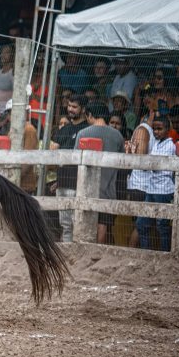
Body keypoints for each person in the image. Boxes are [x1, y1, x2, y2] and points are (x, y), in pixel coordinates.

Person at [75, 102, 125, 244]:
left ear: (90, 115)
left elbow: (75, 159)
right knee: (103, 225)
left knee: (86, 224)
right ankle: (98, 252)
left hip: (86, 189)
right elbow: (123, 162)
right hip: (108, 191)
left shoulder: (83, 134)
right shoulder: (117, 136)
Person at [50, 94, 90, 242]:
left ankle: (77, 251)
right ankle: (67, 251)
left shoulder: (87, 129)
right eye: (69, 106)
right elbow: (53, 151)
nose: (71, 109)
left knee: (77, 222)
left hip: (78, 183)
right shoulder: (64, 128)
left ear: (83, 109)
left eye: (75, 107)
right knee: (65, 223)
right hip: (62, 181)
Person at [136, 116, 176, 251]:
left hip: (163, 190)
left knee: (162, 226)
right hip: (152, 189)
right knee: (142, 224)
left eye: (160, 129)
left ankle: (165, 254)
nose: (156, 132)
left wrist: (144, 163)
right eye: (154, 129)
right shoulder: (157, 144)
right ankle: (146, 252)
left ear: (167, 130)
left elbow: (154, 164)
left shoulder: (170, 145)